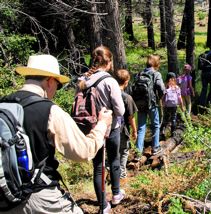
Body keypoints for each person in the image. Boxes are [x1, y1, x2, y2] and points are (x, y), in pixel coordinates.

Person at [0, 54, 113, 214]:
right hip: (39, 196)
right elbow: (83, 152)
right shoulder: (49, 110)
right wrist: (102, 123)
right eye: (58, 86)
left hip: (5, 196)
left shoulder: (4, 104)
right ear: (50, 81)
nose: (56, 91)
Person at [77, 45, 125, 213]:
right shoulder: (110, 81)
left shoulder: (83, 79)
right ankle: (116, 194)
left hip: (90, 128)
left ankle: (103, 205)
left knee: (98, 166)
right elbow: (120, 110)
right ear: (108, 62)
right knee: (114, 161)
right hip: (110, 127)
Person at [135, 55, 165, 158]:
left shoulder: (139, 74)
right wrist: (160, 97)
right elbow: (161, 87)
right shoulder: (156, 74)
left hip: (140, 104)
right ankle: (155, 147)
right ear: (156, 64)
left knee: (141, 128)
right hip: (152, 103)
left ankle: (138, 152)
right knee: (155, 125)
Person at [114, 69, 138, 178]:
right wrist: (134, 130)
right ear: (127, 81)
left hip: (109, 128)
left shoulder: (110, 95)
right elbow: (131, 117)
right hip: (122, 129)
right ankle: (121, 174)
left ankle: (113, 171)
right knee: (123, 151)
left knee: (113, 151)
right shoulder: (127, 98)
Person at [161, 72, 184, 138]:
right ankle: (173, 133)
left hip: (167, 105)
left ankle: (162, 132)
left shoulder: (165, 86)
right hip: (174, 105)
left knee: (165, 119)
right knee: (173, 119)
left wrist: (162, 105)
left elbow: (163, 97)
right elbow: (180, 98)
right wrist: (182, 107)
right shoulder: (177, 88)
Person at [199, 43, 211, 107]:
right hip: (210, 73)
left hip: (204, 73)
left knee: (204, 89)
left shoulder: (204, 54)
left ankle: (201, 103)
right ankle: (208, 103)